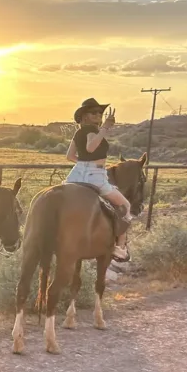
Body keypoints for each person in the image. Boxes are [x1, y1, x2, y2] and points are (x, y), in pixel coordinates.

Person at [65, 97, 132, 261]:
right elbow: (90, 147)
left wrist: (84, 164)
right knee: (125, 205)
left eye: (100, 112)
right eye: (93, 112)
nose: (98, 114)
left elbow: (69, 156)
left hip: (76, 174)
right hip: (95, 176)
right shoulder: (93, 131)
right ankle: (120, 248)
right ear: (85, 116)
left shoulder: (79, 132)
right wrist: (104, 128)